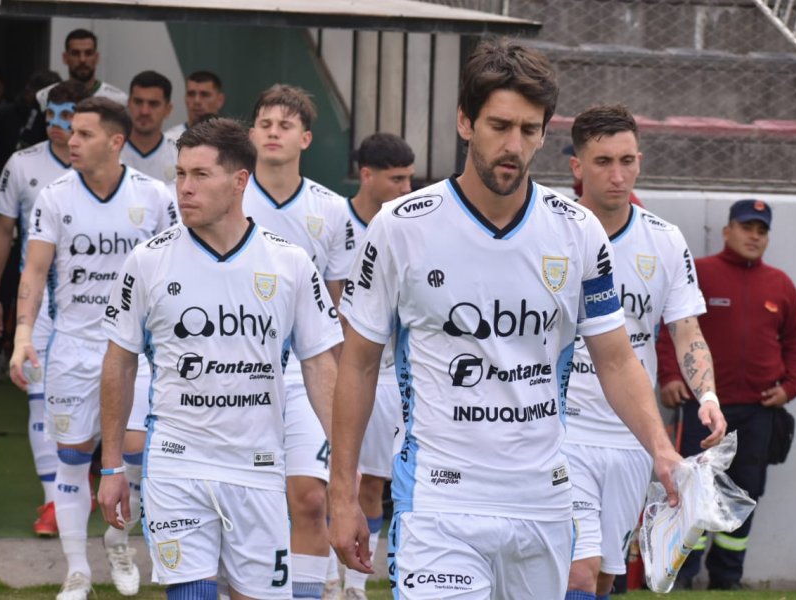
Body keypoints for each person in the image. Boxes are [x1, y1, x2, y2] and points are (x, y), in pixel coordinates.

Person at [329, 38, 684, 599]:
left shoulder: (577, 232)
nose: (513, 145)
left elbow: (616, 359)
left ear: (545, 132)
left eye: (529, 129)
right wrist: (342, 492)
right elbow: (358, 363)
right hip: (439, 501)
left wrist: (661, 450)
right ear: (465, 122)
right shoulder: (401, 226)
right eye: (499, 125)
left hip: (542, 500)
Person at [97, 118, 342, 600]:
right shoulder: (148, 260)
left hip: (258, 468)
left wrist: (346, 465)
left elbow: (320, 365)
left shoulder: (290, 263)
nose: (184, 189)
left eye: (200, 176)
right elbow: (120, 363)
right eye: (180, 174)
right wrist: (111, 468)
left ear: (239, 181)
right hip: (176, 464)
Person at [9, 97, 177, 600]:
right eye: (69, 132)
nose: (70, 140)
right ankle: (77, 571)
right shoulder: (55, 197)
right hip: (73, 348)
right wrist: (22, 337)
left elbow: (174, 270)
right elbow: (34, 273)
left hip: (137, 351)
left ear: (116, 141)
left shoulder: (153, 195)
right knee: (72, 456)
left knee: (134, 451)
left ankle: (119, 539)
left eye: (83, 134)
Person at [561, 105, 726, 600]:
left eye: (627, 161)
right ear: (577, 166)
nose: (617, 175)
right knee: (578, 572)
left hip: (632, 434)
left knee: (606, 577)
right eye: (603, 161)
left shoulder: (665, 240)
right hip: (560, 428)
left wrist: (708, 395)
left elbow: (687, 331)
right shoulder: (551, 228)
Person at [656, 199, 796, 591]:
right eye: (746, 227)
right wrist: (672, 376)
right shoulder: (702, 274)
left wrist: (790, 386)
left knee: (745, 491)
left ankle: (727, 578)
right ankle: (683, 575)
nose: (754, 236)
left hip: (759, 411)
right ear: (727, 231)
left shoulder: (780, 285)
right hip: (704, 408)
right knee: (693, 490)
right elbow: (673, 327)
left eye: (761, 230)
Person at [243, 84, 355, 600]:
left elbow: (334, 306)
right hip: (238, 369)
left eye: (284, 125)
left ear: (306, 138)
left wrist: (343, 379)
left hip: (306, 368)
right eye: (265, 123)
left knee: (310, 496)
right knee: (253, 500)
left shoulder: (331, 210)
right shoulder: (230, 195)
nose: (272, 132)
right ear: (251, 134)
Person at [0, 80, 89, 537]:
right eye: (50, 116)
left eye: (67, 117)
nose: (57, 126)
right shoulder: (23, 165)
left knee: (112, 407)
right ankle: (53, 502)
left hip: (99, 309)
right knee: (40, 401)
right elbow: (3, 231)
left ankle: (95, 482)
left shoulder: (115, 172)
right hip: (41, 306)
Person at [323, 133, 415, 600]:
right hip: (340, 369)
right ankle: (322, 575)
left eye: (408, 178)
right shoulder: (335, 220)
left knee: (374, 479)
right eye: (396, 179)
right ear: (366, 175)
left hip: (388, 377)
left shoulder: (409, 226)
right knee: (326, 478)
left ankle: (355, 586)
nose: (405, 187)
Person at [36, 29, 128, 111]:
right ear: (65, 58)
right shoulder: (45, 96)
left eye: (88, 53)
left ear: (96, 57)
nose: (82, 59)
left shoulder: (118, 99)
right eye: (75, 53)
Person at [121, 70, 178, 193]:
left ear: (168, 109)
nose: (144, 111)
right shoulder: (109, 153)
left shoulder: (179, 157)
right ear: (128, 104)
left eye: (153, 104)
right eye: (138, 102)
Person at [164, 71, 225, 141]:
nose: (197, 101)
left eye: (204, 94)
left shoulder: (232, 139)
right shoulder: (170, 140)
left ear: (220, 100)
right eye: (191, 94)